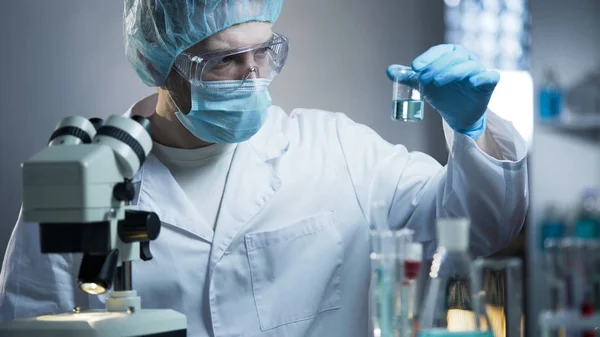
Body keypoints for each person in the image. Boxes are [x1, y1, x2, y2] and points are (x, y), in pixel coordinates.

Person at [0, 0, 528, 336]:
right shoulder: (76, 180)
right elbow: (26, 318)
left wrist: (473, 128)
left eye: (265, 53)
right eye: (225, 61)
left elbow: (478, 228)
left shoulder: (335, 150)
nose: (253, 77)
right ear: (164, 65)